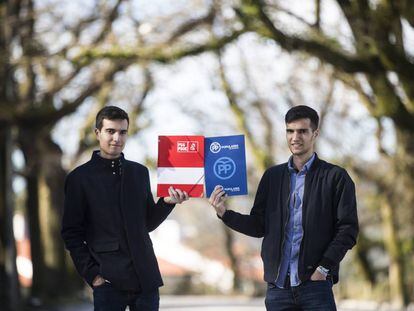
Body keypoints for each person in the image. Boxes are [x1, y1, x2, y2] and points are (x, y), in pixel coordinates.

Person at [209, 105, 358, 310]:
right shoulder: (272, 177)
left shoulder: (335, 177)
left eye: (302, 131)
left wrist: (323, 268)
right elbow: (258, 225)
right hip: (278, 288)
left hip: (315, 286)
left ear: (315, 134)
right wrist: (224, 213)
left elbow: (348, 230)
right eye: (290, 131)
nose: (295, 137)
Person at [61, 106, 188, 311]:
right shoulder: (79, 179)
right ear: (97, 133)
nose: (117, 138)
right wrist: (93, 275)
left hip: (146, 278)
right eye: (110, 131)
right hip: (108, 281)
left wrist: (167, 203)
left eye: (122, 132)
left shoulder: (139, 172)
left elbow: (147, 223)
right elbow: (71, 233)